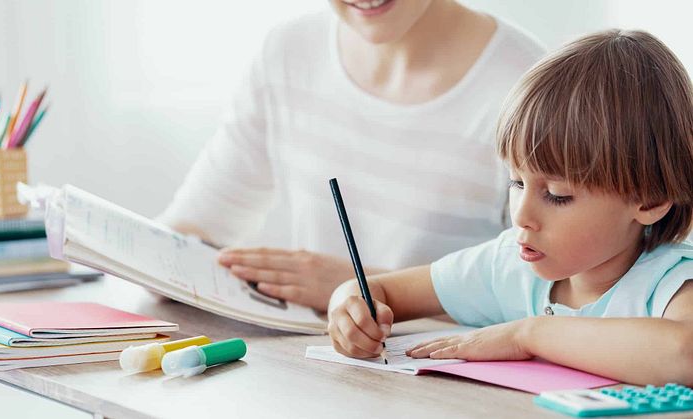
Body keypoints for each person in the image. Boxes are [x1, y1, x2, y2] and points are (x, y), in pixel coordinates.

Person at [327, 29, 693, 386]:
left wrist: (528, 335)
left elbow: (684, 355)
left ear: (650, 199)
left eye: (557, 195)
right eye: (517, 182)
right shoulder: (508, 265)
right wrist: (349, 309)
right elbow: (378, 291)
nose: (520, 216)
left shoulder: (671, 283)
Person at [159, 0, 545, 311]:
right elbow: (195, 227)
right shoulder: (288, 52)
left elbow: (546, 295)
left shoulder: (529, 87)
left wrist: (368, 286)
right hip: (314, 363)